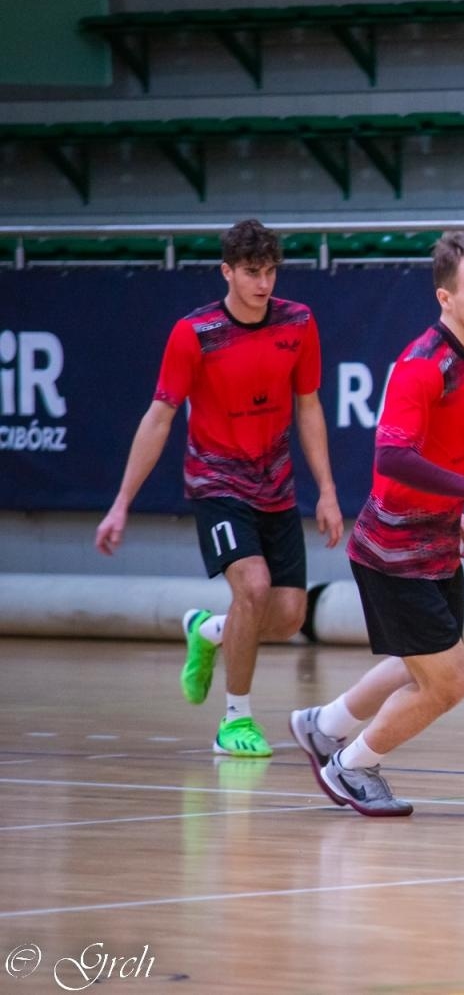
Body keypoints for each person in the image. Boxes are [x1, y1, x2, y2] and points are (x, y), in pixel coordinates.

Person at [94, 219, 342, 758]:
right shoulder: (195, 333)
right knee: (252, 587)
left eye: (271, 271)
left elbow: (309, 406)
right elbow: (159, 417)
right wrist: (121, 504)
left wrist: (326, 489)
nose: (264, 283)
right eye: (252, 272)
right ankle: (235, 722)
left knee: (288, 616)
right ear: (226, 271)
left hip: (276, 486)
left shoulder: (298, 322)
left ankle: (208, 631)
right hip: (217, 483)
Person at [290, 231, 464, 817]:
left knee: (421, 659)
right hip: (394, 549)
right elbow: (391, 456)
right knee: (449, 680)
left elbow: (444, 448)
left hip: (435, 537)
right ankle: (352, 765)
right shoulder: (422, 366)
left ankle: (325, 725)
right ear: (445, 299)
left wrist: (456, 510)